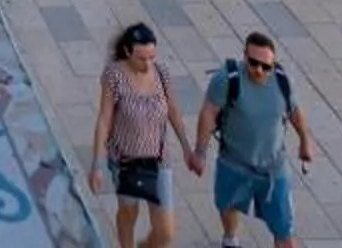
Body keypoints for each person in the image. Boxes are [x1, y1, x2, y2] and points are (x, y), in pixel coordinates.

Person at [88, 21, 203, 248]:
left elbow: (173, 110)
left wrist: (187, 148)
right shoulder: (114, 75)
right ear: (128, 51)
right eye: (142, 58)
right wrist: (97, 164)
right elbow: (104, 120)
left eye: (152, 57)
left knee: (166, 231)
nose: (148, 63)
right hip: (125, 159)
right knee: (128, 212)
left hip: (158, 159)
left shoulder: (161, 72)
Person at [195, 31, 312, 248]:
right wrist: (200, 152)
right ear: (244, 57)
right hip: (234, 161)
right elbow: (209, 112)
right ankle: (230, 237)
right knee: (227, 204)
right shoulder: (227, 80)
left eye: (266, 66)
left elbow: (295, 111)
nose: (259, 70)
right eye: (253, 63)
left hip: (272, 168)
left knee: (284, 228)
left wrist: (305, 140)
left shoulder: (283, 83)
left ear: (273, 63)